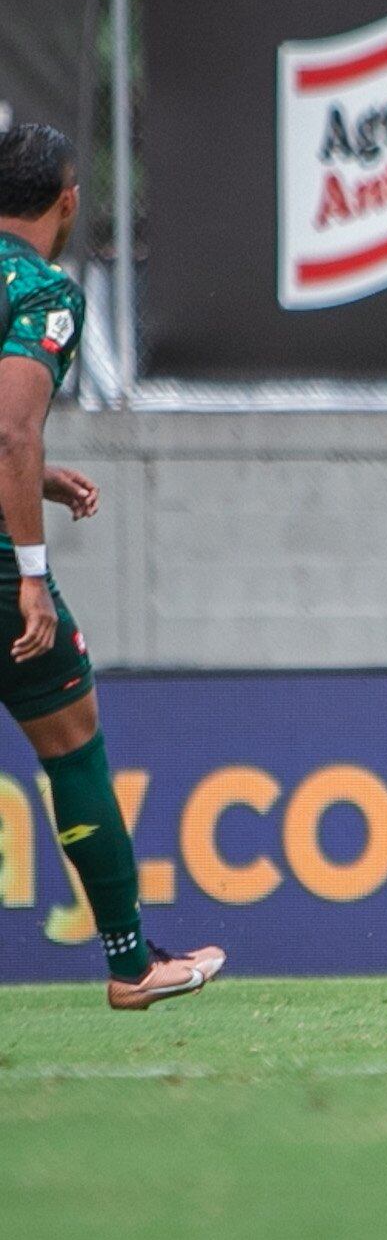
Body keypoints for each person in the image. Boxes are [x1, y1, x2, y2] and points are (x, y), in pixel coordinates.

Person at [0, 124, 223, 1008]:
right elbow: (11, 427)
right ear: (69, 200)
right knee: (73, 742)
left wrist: (35, 478)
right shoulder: (44, 290)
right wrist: (28, 569)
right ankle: (132, 963)